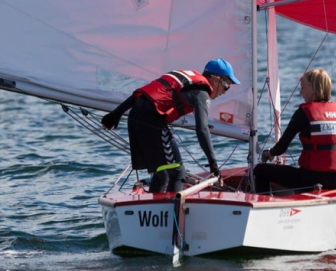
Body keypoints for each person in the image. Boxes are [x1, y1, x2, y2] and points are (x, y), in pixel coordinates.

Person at [100, 58, 240, 193]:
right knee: (178, 173)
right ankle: (172, 213)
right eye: (226, 86)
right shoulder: (202, 93)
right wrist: (213, 164)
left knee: (162, 172)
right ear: (216, 80)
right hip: (152, 121)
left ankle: (155, 209)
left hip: (135, 116)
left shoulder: (185, 78)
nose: (224, 92)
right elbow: (202, 128)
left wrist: (116, 113)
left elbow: (143, 93)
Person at [253, 68, 336, 195]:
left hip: (308, 180)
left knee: (260, 170)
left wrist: (269, 153)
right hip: (335, 181)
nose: (301, 92)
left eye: (303, 88)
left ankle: (265, 206)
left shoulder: (303, 113)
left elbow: (281, 148)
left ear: (313, 89)